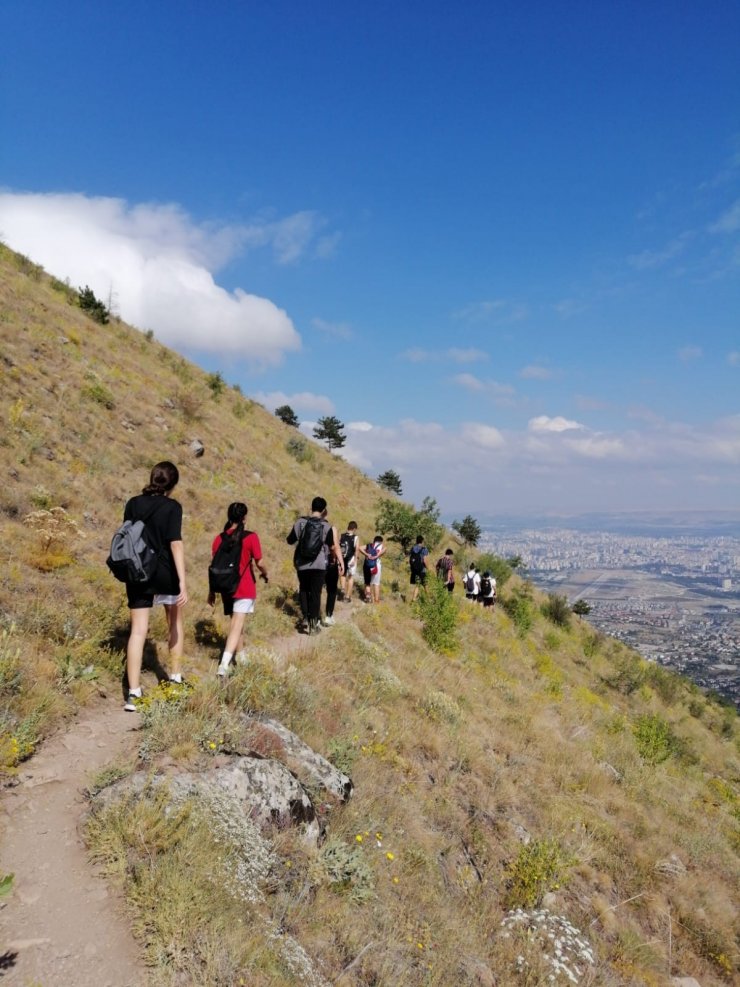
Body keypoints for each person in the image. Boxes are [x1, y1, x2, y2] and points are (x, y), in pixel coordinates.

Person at [122, 461, 188, 711]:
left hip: (137, 571)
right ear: (172, 484)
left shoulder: (133, 503)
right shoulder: (172, 507)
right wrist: (182, 581)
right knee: (175, 624)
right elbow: (176, 544)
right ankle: (174, 679)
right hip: (164, 573)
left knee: (138, 631)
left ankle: (134, 694)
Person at [208, 502, 268, 676]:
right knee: (236, 624)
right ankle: (224, 664)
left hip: (226, 587)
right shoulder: (251, 537)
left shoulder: (219, 538)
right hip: (244, 586)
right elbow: (260, 562)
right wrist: (266, 573)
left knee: (236, 624)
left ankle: (241, 657)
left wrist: (211, 591)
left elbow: (214, 566)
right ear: (244, 518)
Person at [287, 497, 343, 634]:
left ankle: (305, 618)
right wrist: (338, 561)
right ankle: (313, 625)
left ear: (311, 507)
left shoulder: (300, 522)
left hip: (302, 563)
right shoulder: (326, 526)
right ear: (324, 510)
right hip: (319, 565)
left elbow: (290, 540)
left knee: (304, 590)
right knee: (316, 594)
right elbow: (332, 547)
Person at [322, 514, 343, 626]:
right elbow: (334, 547)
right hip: (330, 564)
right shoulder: (332, 528)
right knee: (332, 591)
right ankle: (328, 615)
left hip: (317, 563)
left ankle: (312, 617)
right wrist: (338, 560)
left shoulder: (311, 525)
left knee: (316, 590)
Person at [358, 535, 385, 604]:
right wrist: (377, 556)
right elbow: (385, 549)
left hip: (367, 565)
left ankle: (368, 598)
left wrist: (366, 554)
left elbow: (360, 548)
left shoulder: (369, 545)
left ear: (374, 540)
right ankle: (376, 601)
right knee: (376, 584)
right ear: (381, 541)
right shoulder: (381, 546)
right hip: (376, 566)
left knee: (367, 583)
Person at [339, 521, 359, 602]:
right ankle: (347, 597)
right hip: (351, 559)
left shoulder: (342, 536)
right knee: (350, 577)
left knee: (342, 574)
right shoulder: (356, 537)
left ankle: (343, 588)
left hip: (342, 558)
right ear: (354, 529)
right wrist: (355, 560)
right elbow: (357, 549)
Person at [408, 534, 430, 602]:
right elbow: (425, 560)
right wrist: (428, 568)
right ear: (422, 541)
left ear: (416, 541)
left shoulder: (413, 548)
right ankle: (429, 600)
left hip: (415, 569)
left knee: (419, 584)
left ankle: (414, 599)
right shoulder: (424, 549)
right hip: (422, 569)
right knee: (425, 584)